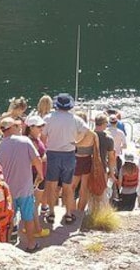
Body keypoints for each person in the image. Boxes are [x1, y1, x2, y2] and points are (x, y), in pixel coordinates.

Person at [0, 117, 45, 252]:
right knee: (28, 217)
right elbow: (37, 159)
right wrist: (40, 175)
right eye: (17, 126)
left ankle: (7, 246)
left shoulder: (1, 145)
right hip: (25, 189)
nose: (19, 128)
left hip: (8, 191)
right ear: (11, 128)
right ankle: (31, 244)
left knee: (9, 219)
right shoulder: (25, 141)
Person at [42, 93, 86, 226]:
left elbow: (43, 137)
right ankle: (68, 214)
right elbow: (87, 131)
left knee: (51, 185)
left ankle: (51, 213)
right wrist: (77, 142)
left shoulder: (48, 118)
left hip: (53, 154)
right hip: (69, 154)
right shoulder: (75, 119)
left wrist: (46, 147)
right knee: (68, 187)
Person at [23, 115, 48, 229]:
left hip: (39, 174)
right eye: (39, 126)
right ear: (31, 127)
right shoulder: (30, 141)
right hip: (35, 175)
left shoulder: (35, 139)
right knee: (33, 204)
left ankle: (31, 227)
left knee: (35, 203)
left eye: (42, 126)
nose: (41, 128)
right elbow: (28, 161)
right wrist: (42, 161)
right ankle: (35, 228)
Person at [70, 116, 96, 215]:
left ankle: (71, 211)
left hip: (75, 160)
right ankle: (80, 211)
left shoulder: (73, 133)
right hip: (87, 160)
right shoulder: (92, 134)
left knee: (72, 187)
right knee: (84, 188)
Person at [93, 114, 117, 200]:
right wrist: (111, 173)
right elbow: (111, 158)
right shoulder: (108, 138)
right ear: (103, 124)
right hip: (101, 167)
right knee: (101, 191)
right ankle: (99, 211)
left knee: (86, 191)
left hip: (88, 167)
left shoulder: (88, 135)